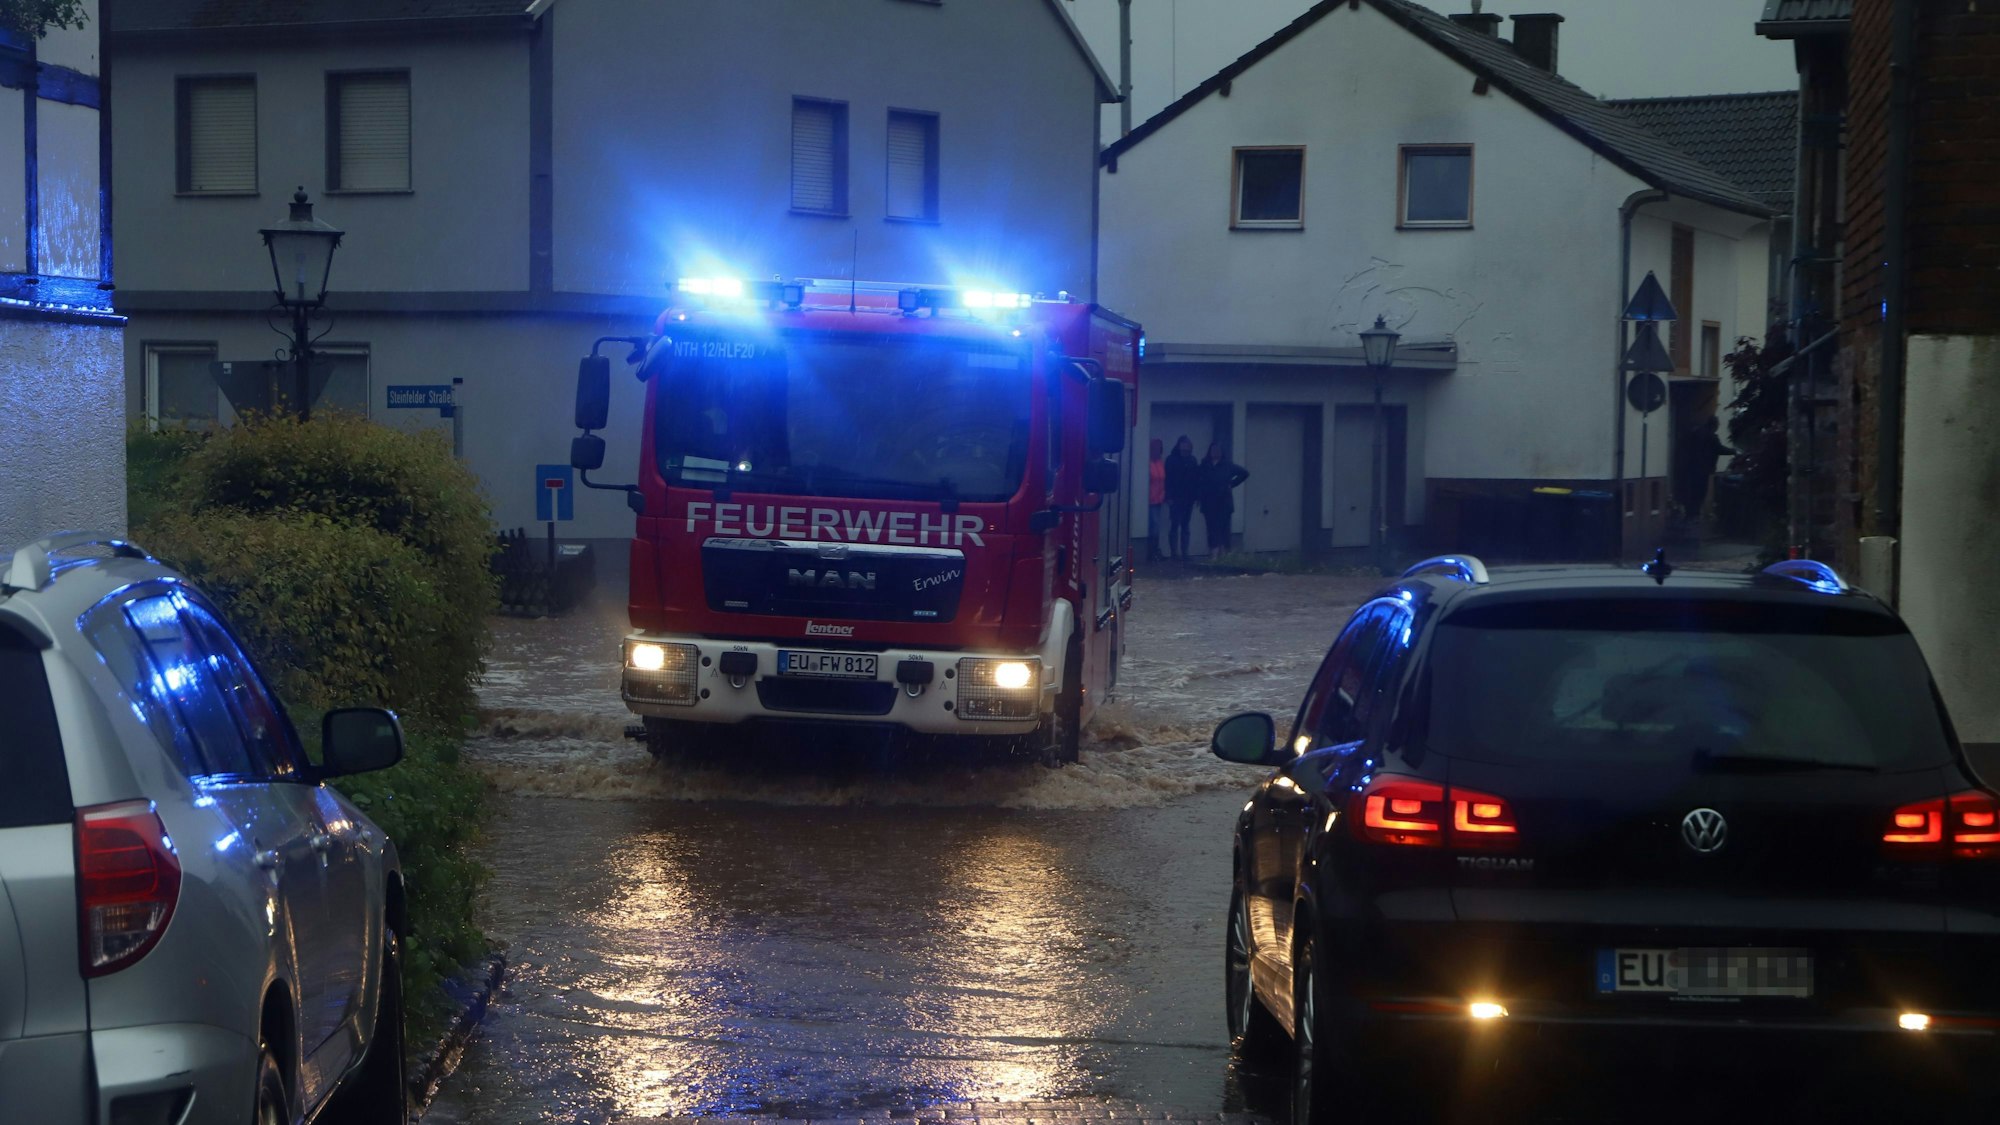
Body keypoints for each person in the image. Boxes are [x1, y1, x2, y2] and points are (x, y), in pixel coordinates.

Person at [1197, 442, 1250, 558]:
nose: (1215, 452)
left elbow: (1244, 473)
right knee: (1211, 529)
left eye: (1218, 450)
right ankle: (1214, 554)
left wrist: (1232, 484)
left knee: (1224, 529)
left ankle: (1224, 553)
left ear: (1221, 452)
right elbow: (1199, 480)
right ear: (1209, 451)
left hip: (1224, 502)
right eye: (1213, 450)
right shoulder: (1204, 465)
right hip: (1209, 502)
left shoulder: (1227, 465)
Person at [1163, 435, 1199, 560]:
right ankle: (1174, 553)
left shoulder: (1192, 461)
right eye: (1183, 444)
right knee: (1175, 524)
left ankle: (1185, 553)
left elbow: (1196, 480)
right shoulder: (1171, 460)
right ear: (1178, 445)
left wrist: (1196, 496)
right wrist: (1168, 496)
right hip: (1175, 498)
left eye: (1187, 445)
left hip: (1188, 498)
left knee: (1185, 525)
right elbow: (1167, 480)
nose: (1185, 447)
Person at [1146, 438, 1167, 562]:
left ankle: (1155, 551)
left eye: (1159, 448)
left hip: (1159, 500)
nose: (1157, 451)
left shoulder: (1160, 463)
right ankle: (1151, 553)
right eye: (1155, 448)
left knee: (1156, 527)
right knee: (1153, 527)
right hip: (1150, 501)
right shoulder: (1148, 463)